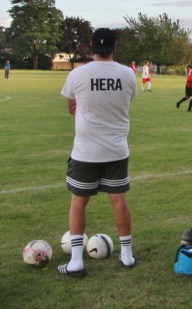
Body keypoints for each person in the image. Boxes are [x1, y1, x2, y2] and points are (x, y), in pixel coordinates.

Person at [58, 28, 138, 277]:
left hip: (86, 151)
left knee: (79, 201)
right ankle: (127, 256)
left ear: (92, 47)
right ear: (115, 47)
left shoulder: (77, 73)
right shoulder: (128, 74)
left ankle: (76, 262)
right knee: (118, 199)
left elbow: (71, 106)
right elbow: (125, 102)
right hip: (116, 148)